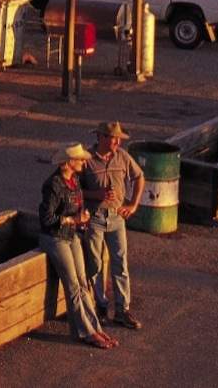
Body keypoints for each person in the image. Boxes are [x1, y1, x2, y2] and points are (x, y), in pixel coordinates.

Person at [39, 142, 117, 350]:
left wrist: (81, 218)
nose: (84, 161)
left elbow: (79, 206)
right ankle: (85, 332)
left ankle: (94, 327)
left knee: (83, 283)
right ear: (69, 162)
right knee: (73, 285)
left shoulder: (74, 180)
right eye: (80, 159)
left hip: (71, 235)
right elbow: (46, 218)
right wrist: (73, 219)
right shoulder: (54, 184)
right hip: (55, 237)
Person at [80, 121, 146, 330]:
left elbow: (139, 176)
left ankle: (122, 310)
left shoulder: (123, 157)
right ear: (100, 137)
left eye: (118, 138)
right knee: (96, 265)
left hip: (117, 217)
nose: (117, 142)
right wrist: (95, 195)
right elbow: (73, 191)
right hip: (95, 218)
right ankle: (100, 306)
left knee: (120, 263)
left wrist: (133, 205)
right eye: (112, 138)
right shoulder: (86, 161)